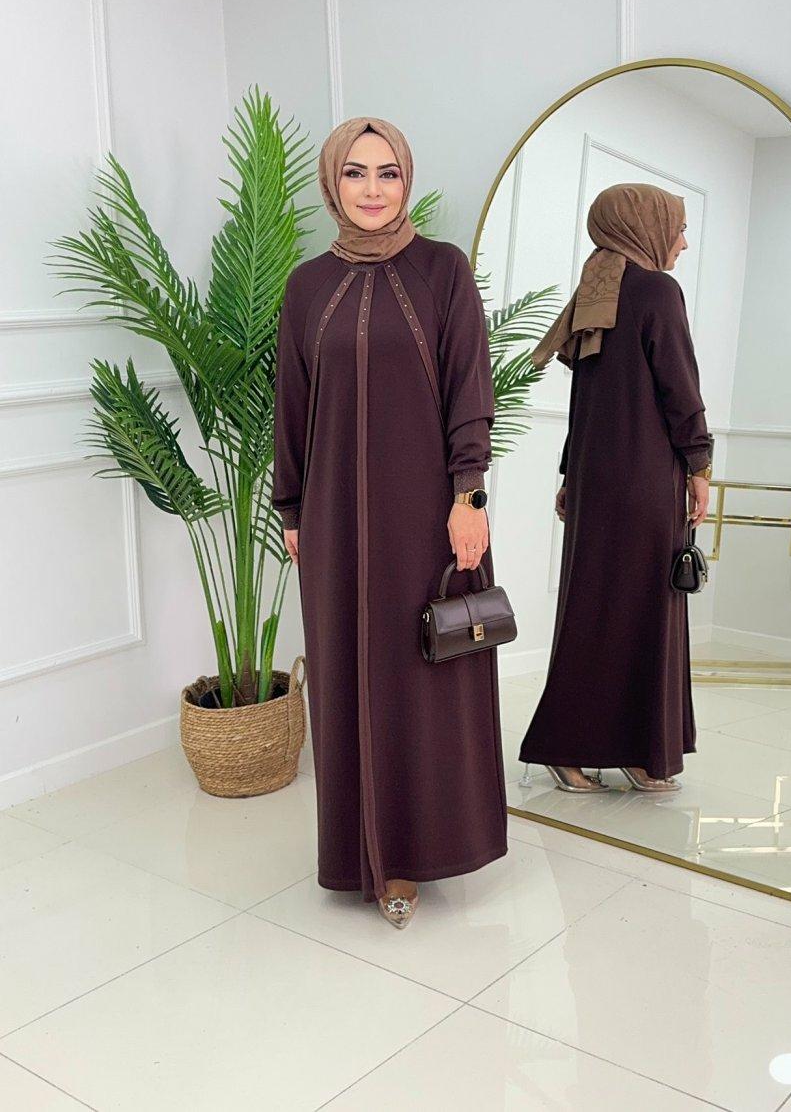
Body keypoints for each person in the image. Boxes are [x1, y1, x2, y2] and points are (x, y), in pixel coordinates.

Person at [272, 116, 507, 929]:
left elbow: (470, 387)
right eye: (355, 173)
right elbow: (292, 407)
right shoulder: (307, 286)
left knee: (422, 676)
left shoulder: (442, 271)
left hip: (427, 515)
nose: (372, 189)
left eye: (388, 173)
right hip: (334, 520)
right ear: (332, 183)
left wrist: (468, 495)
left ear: (407, 180)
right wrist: (293, 508)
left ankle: (413, 852)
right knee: (347, 673)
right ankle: (358, 854)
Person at [518, 183, 713, 794]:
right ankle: (607, 748)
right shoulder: (657, 290)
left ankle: (612, 750)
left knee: (595, 611)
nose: (682, 242)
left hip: (597, 480)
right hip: (645, 481)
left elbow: (587, 399)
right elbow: (679, 385)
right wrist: (700, 465)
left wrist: (570, 474)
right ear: (642, 226)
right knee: (645, 612)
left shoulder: (596, 288)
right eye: (678, 228)